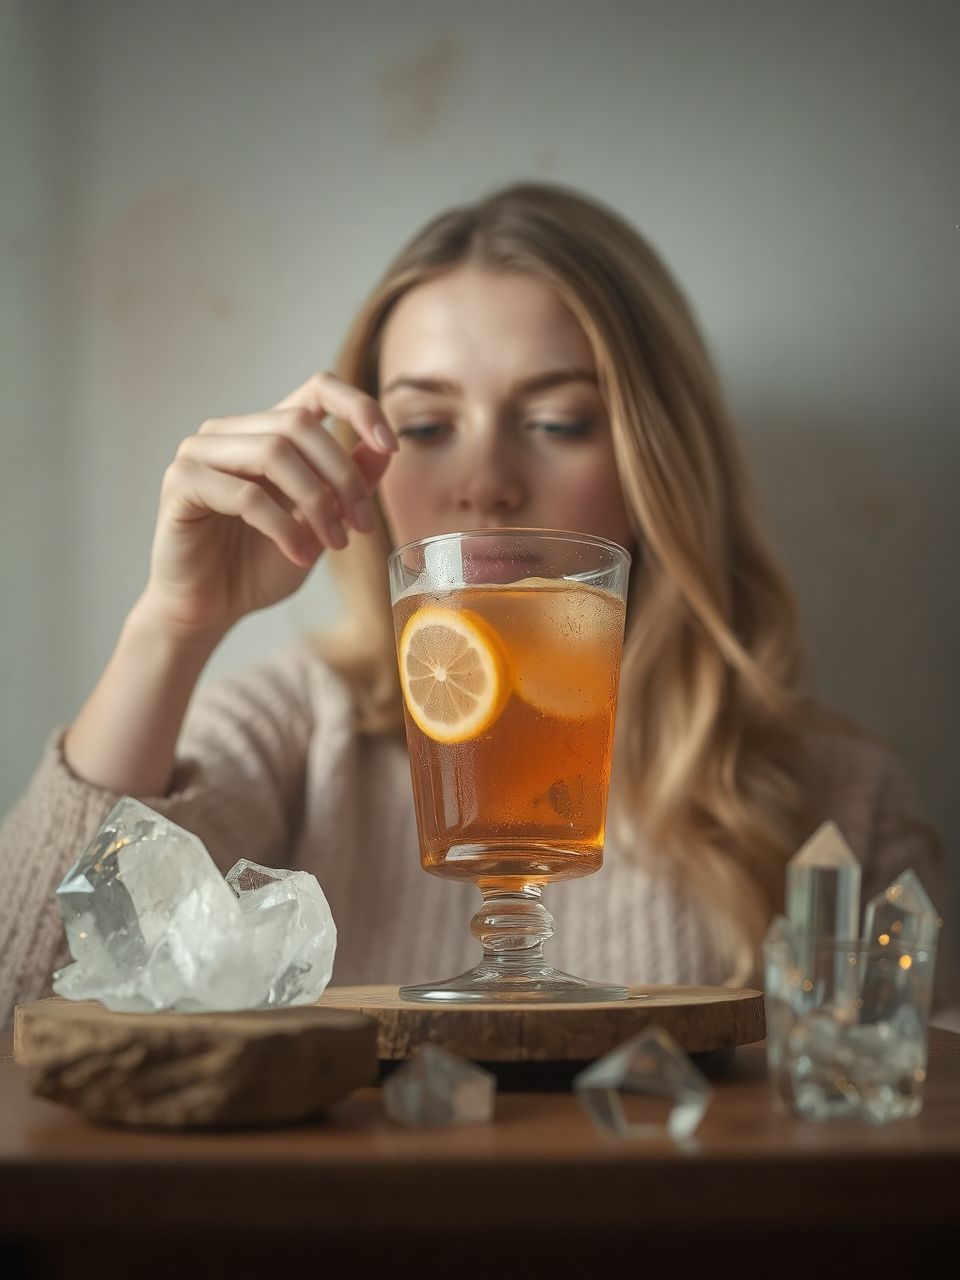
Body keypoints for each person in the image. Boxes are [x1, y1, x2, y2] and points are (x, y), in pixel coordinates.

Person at [1, 182, 956, 1029]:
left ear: (654, 463)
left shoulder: (840, 798)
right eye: (423, 425)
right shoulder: (292, 734)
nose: (486, 483)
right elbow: (23, 1007)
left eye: (556, 422)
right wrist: (173, 627)